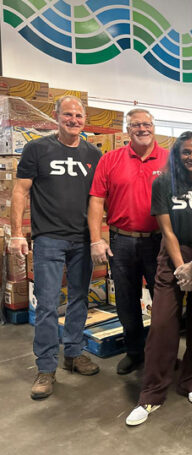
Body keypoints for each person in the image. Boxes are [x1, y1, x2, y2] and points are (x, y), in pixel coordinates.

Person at [125, 132, 192, 425]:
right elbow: (166, 231)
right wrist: (182, 268)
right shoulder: (164, 183)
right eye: (186, 152)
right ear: (177, 155)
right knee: (162, 325)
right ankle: (152, 394)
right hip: (173, 255)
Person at [11, 96, 102, 399]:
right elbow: (20, 192)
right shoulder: (37, 149)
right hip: (48, 238)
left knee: (79, 299)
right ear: (56, 116)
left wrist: (98, 237)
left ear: (84, 119)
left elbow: (97, 199)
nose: (73, 120)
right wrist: (17, 233)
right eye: (68, 114)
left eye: (78, 115)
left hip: (82, 240)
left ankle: (73, 354)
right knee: (48, 305)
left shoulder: (94, 154)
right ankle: (46, 367)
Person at [88, 108, 168, 375]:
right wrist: (96, 239)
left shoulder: (170, 160)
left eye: (147, 124)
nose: (142, 129)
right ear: (127, 129)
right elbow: (97, 200)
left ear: (153, 126)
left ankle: (164, 355)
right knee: (126, 299)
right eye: (136, 125)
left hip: (160, 242)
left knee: (165, 302)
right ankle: (134, 352)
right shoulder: (110, 160)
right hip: (121, 241)